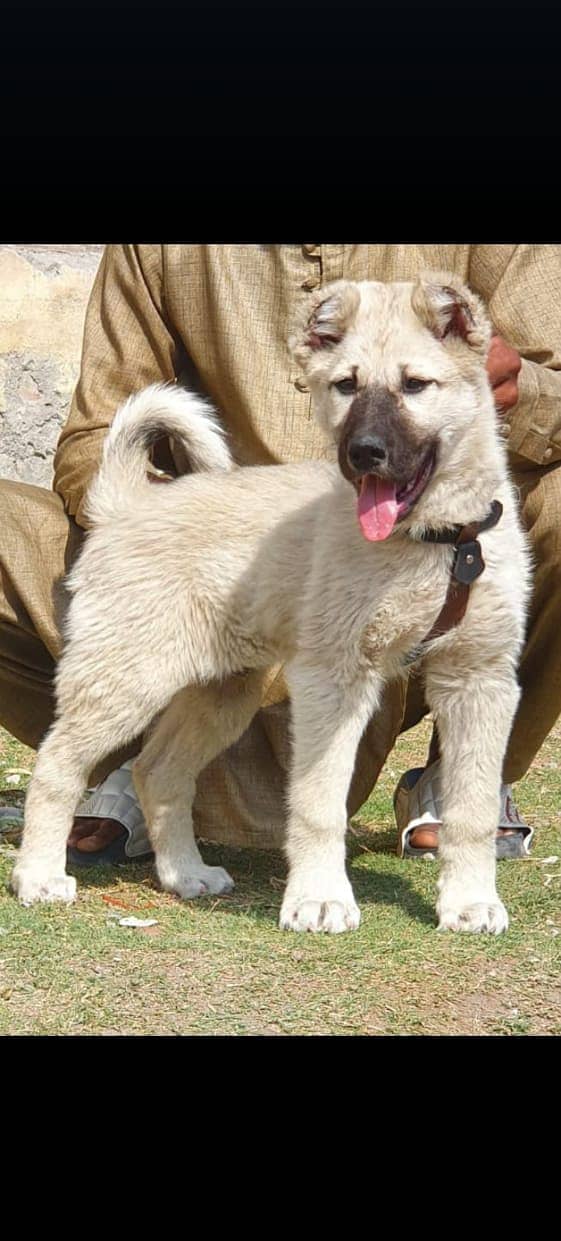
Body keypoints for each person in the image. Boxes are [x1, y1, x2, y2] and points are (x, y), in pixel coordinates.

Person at [1, 244, 560, 867]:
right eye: (347, 386)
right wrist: (190, 533)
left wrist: (517, 387)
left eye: (413, 384)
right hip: (221, 561)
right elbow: (96, 435)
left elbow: (549, 389)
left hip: (429, 583)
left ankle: (456, 783)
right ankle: (126, 761)